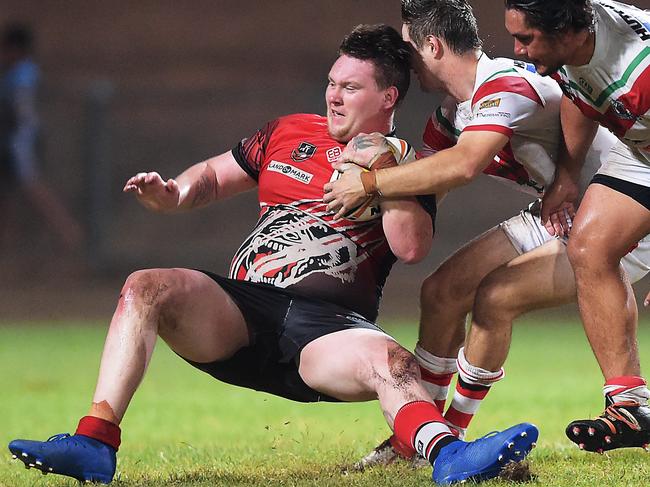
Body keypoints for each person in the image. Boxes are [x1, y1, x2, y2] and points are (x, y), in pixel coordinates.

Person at [7, 24, 538, 485]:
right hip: (240, 313)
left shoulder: (411, 165)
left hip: (327, 332)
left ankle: (449, 457)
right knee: (147, 285)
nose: (333, 96)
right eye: (331, 83)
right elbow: (214, 176)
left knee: (393, 362)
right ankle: (95, 443)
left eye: (350, 87)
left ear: (388, 98)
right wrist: (174, 193)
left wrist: (383, 178)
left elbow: (410, 246)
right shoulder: (289, 133)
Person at [322, 0, 650, 467]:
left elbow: (463, 164)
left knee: (495, 297)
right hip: (558, 209)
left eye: (410, 48)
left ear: (433, 46)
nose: (405, 59)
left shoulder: (506, 85)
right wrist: (378, 165)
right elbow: (427, 188)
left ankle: (452, 439)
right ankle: (415, 437)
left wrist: (372, 181)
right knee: (441, 290)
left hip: (619, 210)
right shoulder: (453, 113)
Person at [503, 0, 650, 454]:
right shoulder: (578, 39)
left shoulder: (640, 71)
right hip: (642, 150)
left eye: (525, 38)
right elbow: (579, 95)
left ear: (567, 30)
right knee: (588, 246)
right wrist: (567, 173)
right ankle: (631, 409)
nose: (517, 49)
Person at [0, 23, 83, 251]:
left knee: (33, 187)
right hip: (16, 139)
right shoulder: (20, 73)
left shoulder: (22, 74)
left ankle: (70, 233)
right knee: (8, 193)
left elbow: (21, 110)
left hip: (21, 140)